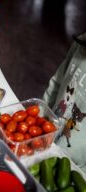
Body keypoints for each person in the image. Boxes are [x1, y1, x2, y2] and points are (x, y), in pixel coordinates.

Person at [43, 32, 86, 172]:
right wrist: (40, 118)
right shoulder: (81, 43)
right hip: (47, 134)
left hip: (74, 166)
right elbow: (56, 83)